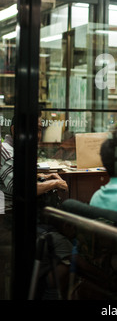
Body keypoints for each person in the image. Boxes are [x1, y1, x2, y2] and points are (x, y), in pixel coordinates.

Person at [0, 116, 72, 299]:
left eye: (40, 130)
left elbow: (24, 179)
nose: (38, 135)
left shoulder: (19, 151)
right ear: (16, 131)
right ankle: (45, 290)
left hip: (19, 216)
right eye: (35, 130)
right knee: (66, 247)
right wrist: (53, 184)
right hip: (8, 221)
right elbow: (21, 189)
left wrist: (44, 177)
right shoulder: (7, 152)